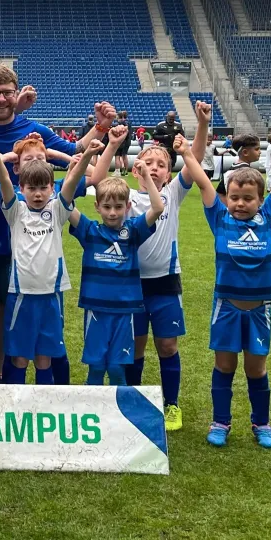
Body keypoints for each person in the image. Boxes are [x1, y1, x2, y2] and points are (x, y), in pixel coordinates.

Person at [0, 63, 117, 379]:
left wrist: (101, 128)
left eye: (7, 93)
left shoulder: (35, 133)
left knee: (39, 325)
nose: (1, 99)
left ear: (16, 93)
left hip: (35, 255)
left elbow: (78, 156)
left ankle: (43, 382)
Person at [92, 100, 212, 430]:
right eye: (149, 161)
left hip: (165, 283)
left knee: (168, 345)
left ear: (169, 171)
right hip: (130, 283)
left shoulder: (173, 193)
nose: (156, 167)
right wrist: (111, 143)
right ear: (136, 169)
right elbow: (96, 179)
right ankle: (134, 401)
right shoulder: (124, 198)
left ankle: (171, 405)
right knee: (137, 345)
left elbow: (195, 160)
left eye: (162, 163)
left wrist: (201, 126)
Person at [180, 126, 271, 449]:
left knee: (256, 367)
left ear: (261, 200)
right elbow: (205, 183)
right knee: (225, 365)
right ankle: (220, 421)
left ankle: (261, 423)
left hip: (259, 310)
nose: (240, 204)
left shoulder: (269, 218)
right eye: (234, 198)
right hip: (227, 308)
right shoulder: (220, 220)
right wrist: (183, 153)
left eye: (248, 199)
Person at [0, 134, 103, 385]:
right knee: (18, 357)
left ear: (52, 188)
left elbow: (71, 182)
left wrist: (89, 155)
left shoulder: (58, 209)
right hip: (21, 295)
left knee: (44, 357)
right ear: (22, 189)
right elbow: (4, 179)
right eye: (31, 188)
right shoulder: (15, 211)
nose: (38, 194)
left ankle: (43, 406)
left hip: (51, 294)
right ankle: (16, 405)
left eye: (43, 188)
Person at [69, 151, 164, 386]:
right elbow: (65, 203)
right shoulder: (90, 231)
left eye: (118, 207)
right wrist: (76, 169)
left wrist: (146, 176)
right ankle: (93, 419)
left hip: (124, 311)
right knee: (96, 368)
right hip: (96, 310)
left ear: (128, 206)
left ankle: (119, 420)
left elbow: (158, 208)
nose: (113, 212)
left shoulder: (132, 231)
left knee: (116, 368)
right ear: (97, 207)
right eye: (107, 207)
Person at [216, 134, 261, 203]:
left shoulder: (230, 170)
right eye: (257, 149)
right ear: (245, 152)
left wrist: (227, 209)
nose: (260, 152)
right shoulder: (247, 173)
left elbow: (220, 193)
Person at [113, 110, 132, 176]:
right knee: (124, 156)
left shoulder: (119, 123)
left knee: (117, 156)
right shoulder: (128, 123)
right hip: (127, 141)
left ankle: (117, 171)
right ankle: (126, 171)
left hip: (121, 141)